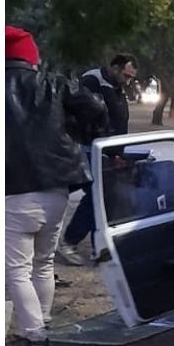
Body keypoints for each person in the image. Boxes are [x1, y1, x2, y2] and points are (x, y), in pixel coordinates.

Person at [5, 26, 107, 346]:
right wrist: (73, 134)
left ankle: (37, 344)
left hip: (15, 193)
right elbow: (96, 107)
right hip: (57, 190)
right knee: (43, 263)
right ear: (32, 58)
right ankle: (40, 327)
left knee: (16, 272)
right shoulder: (56, 83)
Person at [55, 53, 138, 266]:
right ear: (115, 68)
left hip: (108, 151)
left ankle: (97, 246)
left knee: (104, 197)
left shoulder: (116, 88)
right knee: (96, 197)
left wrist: (117, 152)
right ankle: (69, 242)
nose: (128, 81)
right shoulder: (92, 82)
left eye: (131, 78)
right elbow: (90, 119)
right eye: (126, 76)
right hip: (90, 150)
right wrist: (108, 151)